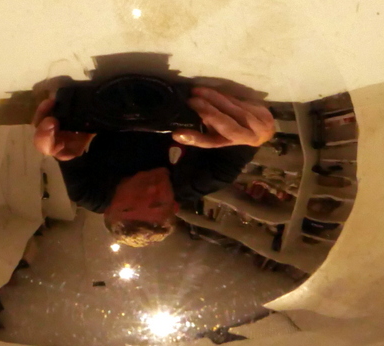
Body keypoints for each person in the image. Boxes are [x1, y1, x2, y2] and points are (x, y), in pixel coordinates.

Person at [32, 86, 275, 247]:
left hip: (108, 94)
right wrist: (257, 130)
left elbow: (66, 148)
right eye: (158, 203)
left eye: (129, 205)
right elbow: (249, 138)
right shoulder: (204, 180)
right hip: (188, 88)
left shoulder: (90, 193)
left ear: (108, 207)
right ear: (175, 205)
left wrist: (62, 134)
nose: (148, 191)